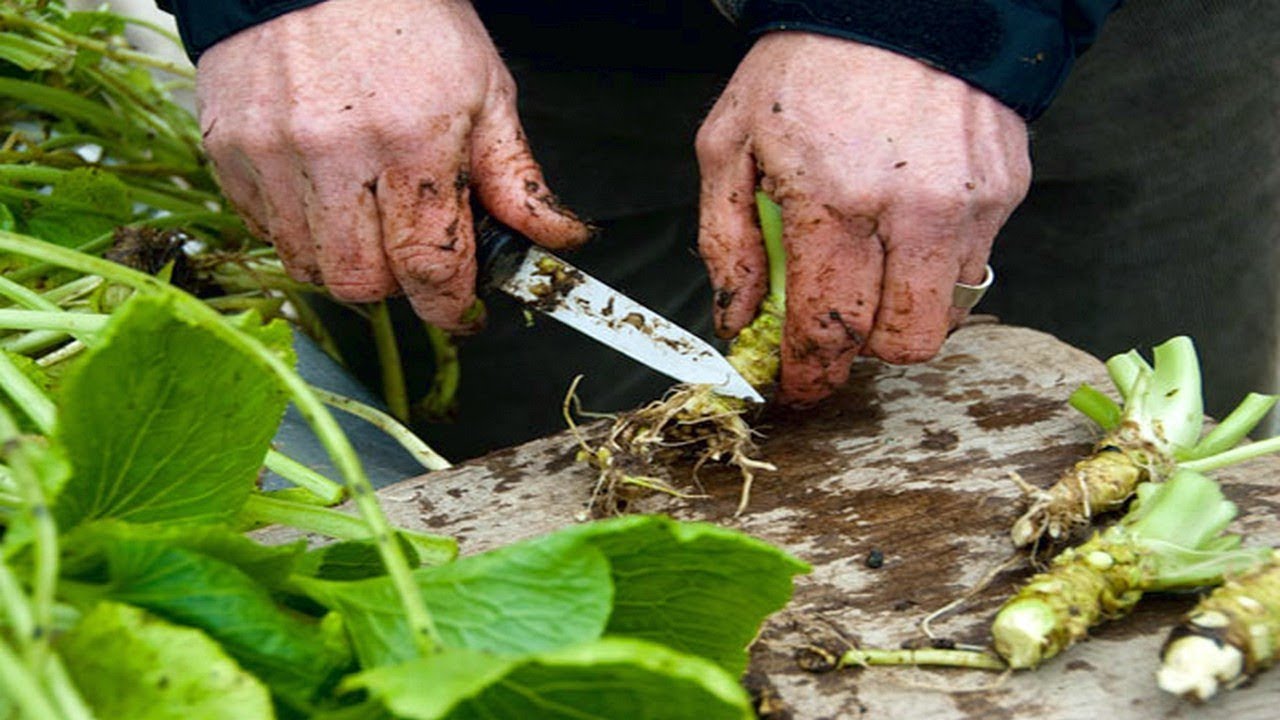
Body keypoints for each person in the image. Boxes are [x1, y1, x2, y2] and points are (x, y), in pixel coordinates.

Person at [157, 1, 1280, 460]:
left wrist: (953, 21)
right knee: (568, 497)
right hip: (523, 46)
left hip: (1088, 45)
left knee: (1129, 441)